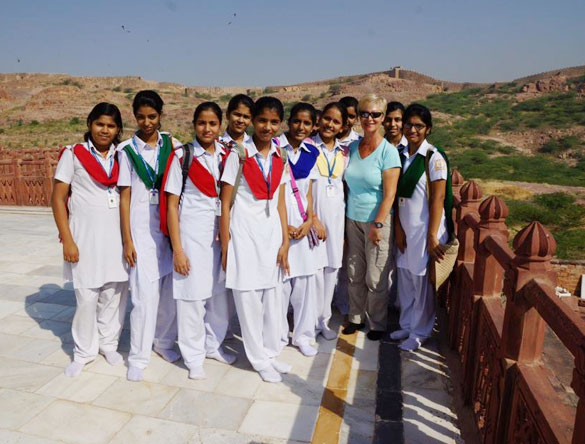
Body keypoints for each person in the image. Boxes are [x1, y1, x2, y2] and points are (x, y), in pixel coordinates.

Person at [52, 103, 128, 377]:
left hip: (116, 238)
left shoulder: (123, 156)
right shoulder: (74, 154)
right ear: (89, 124)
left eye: (110, 125)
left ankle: (109, 344)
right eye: (99, 124)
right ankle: (84, 351)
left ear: (118, 129)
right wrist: (68, 241)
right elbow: (58, 199)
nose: (104, 130)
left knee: (114, 294)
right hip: (84, 239)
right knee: (86, 296)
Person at [220, 96, 291, 383]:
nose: (268, 127)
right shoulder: (238, 155)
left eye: (274, 122)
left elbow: (281, 201)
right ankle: (257, 358)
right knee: (248, 296)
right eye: (262, 120)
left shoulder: (280, 156)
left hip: (271, 233)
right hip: (244, 234)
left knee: (271, 296)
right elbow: (225, 205)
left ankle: (269, 352)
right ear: (252, 121)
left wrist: (285, 240)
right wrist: (226, 246)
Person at [165, 102, 236, 380]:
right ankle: (192, 356)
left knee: (218, 297)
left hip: (218, 233)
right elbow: (172, 205)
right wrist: (178, 249)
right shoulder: (183, 156)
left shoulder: (227, 156)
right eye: (202, 123)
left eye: (213, 123)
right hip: (191, 235)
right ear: (194, 124)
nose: (207, 128)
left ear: (220, 125)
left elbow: (227, 201)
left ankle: (212, 345)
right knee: (192, 298)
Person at [118, 90, 181, 382]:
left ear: (161, 115)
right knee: (144, 296)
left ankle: (164, 342)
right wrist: (128, 239)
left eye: (152, 116)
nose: (147, 122)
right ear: (135, 117)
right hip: (141, 229)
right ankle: (138, 356)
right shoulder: (126, 150)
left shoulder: (173, 145)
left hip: (168, 229)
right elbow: (125, 197)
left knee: (168, 293)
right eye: (141, 117)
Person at [342, 93, 401, 340]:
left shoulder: (388, 153)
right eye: (364, 113)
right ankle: (356, 317)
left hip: (377, 220)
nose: (369, 118)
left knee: (375, 275)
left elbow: (390, 194)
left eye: (375, 114)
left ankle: (377, 323)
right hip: (352, 217)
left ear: (383, 118)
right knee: (354, 271)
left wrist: (378, 223)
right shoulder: (354, 147)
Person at [393, 104, 451, 351]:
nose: (412, 129)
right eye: (409, 125)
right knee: (405, 278)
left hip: (426, 229)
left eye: (418, 125)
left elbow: (437, 198)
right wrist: (398, 228)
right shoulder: (402, 153)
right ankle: (406, 325)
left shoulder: (433, 157)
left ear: (428, 129)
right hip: (407, 228)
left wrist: (432, 236)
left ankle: (420, 332)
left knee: (421, 282)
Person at [278, 102, 320, 357]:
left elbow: (308, 192)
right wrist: (283, 226)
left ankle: (303, 336)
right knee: (281, 283)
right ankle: (279, 335)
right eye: (297, 121)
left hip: (302, 227)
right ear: (288, 121)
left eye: (307, 123)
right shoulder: (274, 148)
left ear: (312, 126)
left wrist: (309, 222)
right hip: (281, 225)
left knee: (304, 283)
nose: (301, 127)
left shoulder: (311, 152)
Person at [311, 102, 349, 340]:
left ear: (342, 126)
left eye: (336, 121)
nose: (330, 124)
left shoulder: (344, 153)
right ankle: (308, 320)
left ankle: (323, 320)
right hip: (313, 217)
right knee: (312, 270)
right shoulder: (307, 147)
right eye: (327, 118)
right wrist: (312, 218)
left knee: (331, 269)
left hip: (336, 218)